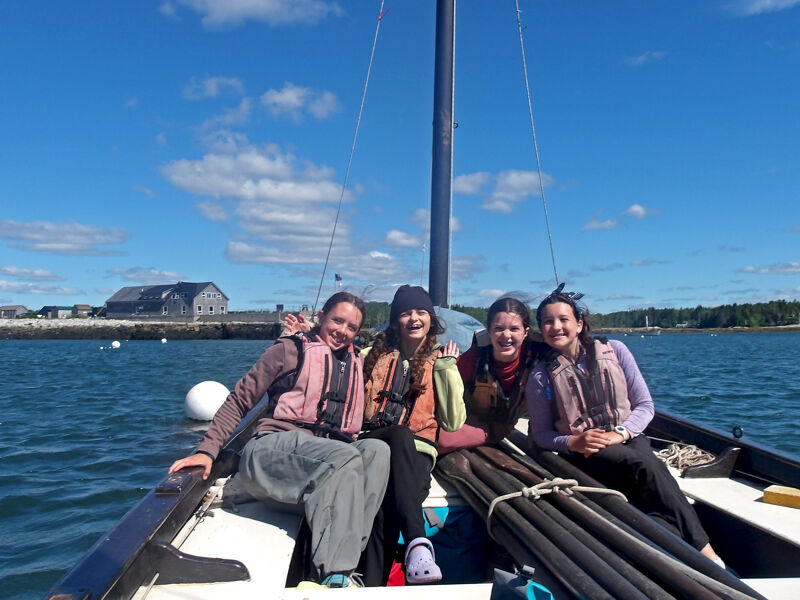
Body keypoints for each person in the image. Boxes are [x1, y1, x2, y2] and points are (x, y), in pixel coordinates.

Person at [168, 292, 390, 588]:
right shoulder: (289, 350)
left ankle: (344, 556)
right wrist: (207, 451)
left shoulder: (352, 360)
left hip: (321, 468)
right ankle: (335, 576)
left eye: (351, 327)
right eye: (337, 320)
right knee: (345, 457)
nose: (343, 331)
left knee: (377, 450)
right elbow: (240, 400)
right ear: (321, 316)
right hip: (272, 452)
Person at [525, 284, 725, 567]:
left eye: (563, 319)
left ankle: (668, 538)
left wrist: (621, 432)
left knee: (647, 468)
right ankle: (706, 553)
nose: (556, 327)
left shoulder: (615, 350)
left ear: (579, 324)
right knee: (647, 466)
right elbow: (543, 434)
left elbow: (645, 406)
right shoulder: (540, 375)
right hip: (589, 451)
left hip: (627, 437)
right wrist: (572, 442)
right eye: (547, 321)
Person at [357, 285, 465, 586]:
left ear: (431, 318)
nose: (414, 319)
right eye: (405, 313)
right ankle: (419, 543)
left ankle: (372, 582)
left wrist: (447, 369)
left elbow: (454, 423)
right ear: (394, 321)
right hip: (374, 443)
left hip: (417, 452)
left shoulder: (439, 361)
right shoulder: (369, 356)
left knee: (388, 506)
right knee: (400, 435)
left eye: (421, 312)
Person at [438, 296, 548, 454]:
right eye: (499, 328)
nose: (506, 335)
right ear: (489, 331)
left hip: (504, 425)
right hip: (470, 422)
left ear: (526, 332)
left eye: (514, 329)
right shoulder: (473, 359)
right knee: (434, 438)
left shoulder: (538, 362)